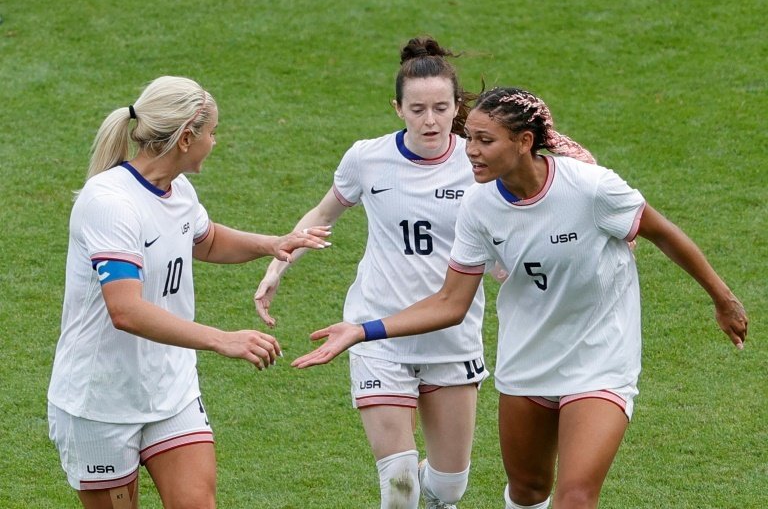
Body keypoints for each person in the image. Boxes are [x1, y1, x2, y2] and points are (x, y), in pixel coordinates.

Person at [291, 87, 749, 509]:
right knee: (529, 489)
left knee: (574, 496)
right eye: (469, 138)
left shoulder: (591, 189)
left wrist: (722, 298)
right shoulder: (479, 206)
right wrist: (363, 329)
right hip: (526, 362)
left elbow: (664, 234)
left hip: (599, 361)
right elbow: (450, 303)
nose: (469, 150)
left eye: (484, 141)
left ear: (524, 141)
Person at [47, 75, 331, 509]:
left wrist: (272, 244)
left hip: (171, 391)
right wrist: (222, 339)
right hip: (101, 402)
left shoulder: (177, 189)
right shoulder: (109, 203)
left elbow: (206, 239)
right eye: (212, 132)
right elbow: (126, 311)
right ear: (185, 138)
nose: (215, 142)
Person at [254, 37, 489, 509]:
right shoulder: (367, 158)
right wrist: (278, 265)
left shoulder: (479, 163)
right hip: (375, 335)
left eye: (441, 108)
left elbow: (513, 228)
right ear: (397, 107)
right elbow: (322, 215)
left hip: (452, 337)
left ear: (456, 107)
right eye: (417, 108)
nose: (430, 120)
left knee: (448, 488)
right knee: (400, 487)